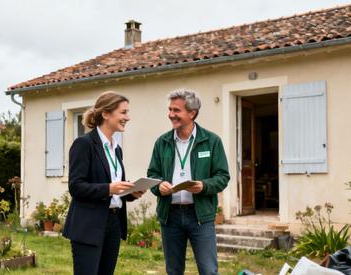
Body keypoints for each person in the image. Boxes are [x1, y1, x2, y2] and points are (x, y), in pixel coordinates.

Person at [147, 88, 229, 275]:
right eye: (170, 110)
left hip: (200, 216)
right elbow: (153, 174)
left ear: (192, 113)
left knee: (208, 270)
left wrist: (204, 186)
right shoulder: (162, 142)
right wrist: (159, 186)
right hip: (171, 216)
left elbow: (222, 176)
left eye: (176, 110)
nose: (171, 115)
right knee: (174, 271)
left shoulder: (211, 141)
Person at [64, 91, 145, 275]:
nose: (127, 117)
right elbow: (75, 186)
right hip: (88, 225)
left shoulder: (116, 149)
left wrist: (130, 192)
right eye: (123, 112)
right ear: (106, 114)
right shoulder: (83, 144)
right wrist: (110, 188)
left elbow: (113, 187)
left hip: (113, 223)